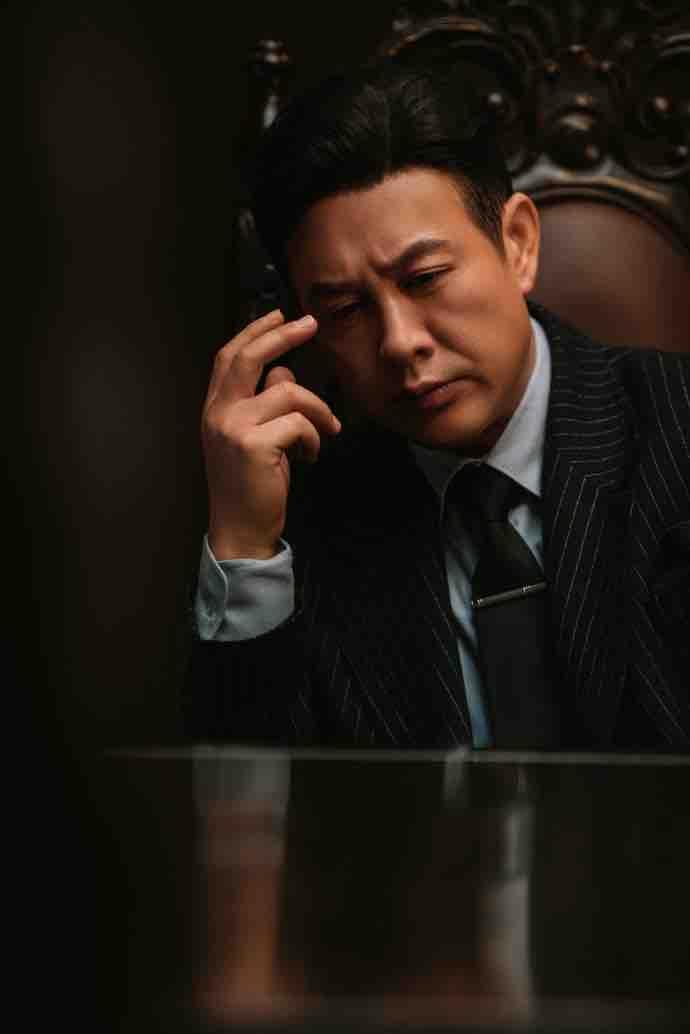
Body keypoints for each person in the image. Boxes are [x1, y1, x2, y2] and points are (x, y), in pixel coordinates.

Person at [185, 63, 690, 750]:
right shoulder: (299, 515)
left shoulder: (674, 426)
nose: (399, 342)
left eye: (425, 279)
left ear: (518, 243)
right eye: (346, 309)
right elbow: (247, 798)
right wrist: (245, 549)